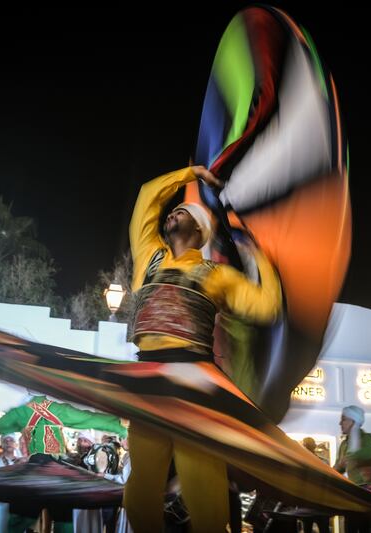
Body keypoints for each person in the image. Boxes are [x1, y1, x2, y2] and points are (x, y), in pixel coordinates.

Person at [123, 165, 282, 533]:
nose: (174, 212)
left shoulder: (215, 274)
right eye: (173, 211)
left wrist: (260, 257)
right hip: (148, 380)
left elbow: (266, 306)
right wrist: (191, 174)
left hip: (194, 385)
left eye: (185, 212)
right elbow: (148, 194)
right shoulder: (149, 257)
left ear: (198, 230)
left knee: (207, 502)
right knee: (137, 497)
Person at [333, 405, 371, 485]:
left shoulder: (367, 439)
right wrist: (339, 466)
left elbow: (368, 456)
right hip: (355, 488)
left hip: (369, 489)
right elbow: (337, 470)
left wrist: (349, 458)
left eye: (343, 419)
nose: (340, 423)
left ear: (353, 422)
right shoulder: (344, 444)